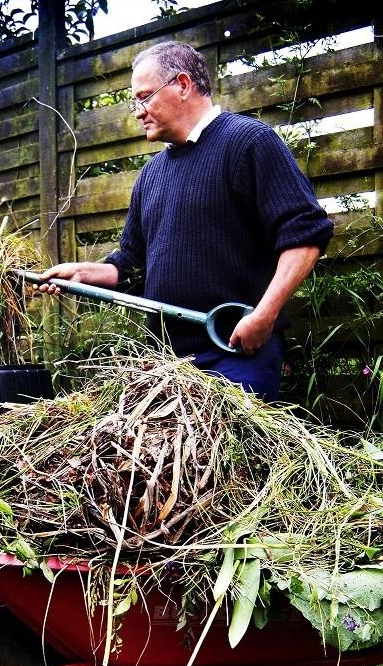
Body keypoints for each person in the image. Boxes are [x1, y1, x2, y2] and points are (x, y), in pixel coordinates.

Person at [37, 41, 334, 401]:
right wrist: (81, 275)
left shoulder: (249, 143)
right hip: (166, 365)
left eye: (144, 97)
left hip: (238, 355)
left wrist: (264, 314)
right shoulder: (151, 175)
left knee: (230, 457)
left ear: (181, 84)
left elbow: (305, 234)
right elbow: (131, 266)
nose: (137, 111)